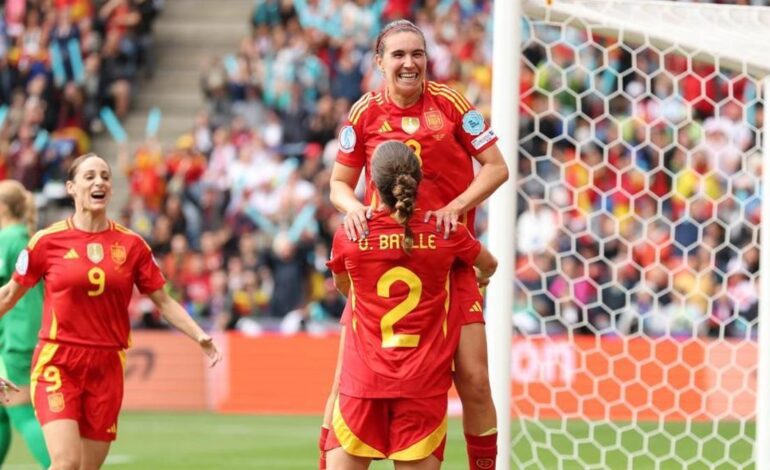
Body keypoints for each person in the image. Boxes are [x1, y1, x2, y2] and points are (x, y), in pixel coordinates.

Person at [322, 19, 509, 470]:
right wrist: (354, 211)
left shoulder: (451, 105)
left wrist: (454, 208)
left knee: (475, 379)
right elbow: (338, 185)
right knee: (344, 380)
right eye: (400, 55)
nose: (410, 63)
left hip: (449, 254)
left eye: (418, 54)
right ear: (380, 62)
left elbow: (496, 167)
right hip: (381, 256)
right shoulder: (364, 112)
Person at [0, 153, 222, 470]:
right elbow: (8, 295)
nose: (99, 182)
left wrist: (199, 335)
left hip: (107, 366)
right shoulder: (46, 242)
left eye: (104, 176)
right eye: (89, 176)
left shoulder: (132, 246)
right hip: (58, 361)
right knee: (65, 463)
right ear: (71, 188)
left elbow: (164, 301)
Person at [325, 141, 497, 469]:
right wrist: (478, 277)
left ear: (373, 184)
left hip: (364, 382)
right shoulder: (447, 231)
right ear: (419, 181)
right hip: (423, 385)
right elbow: (489, 264)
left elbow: (343, 286)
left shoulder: (350, 235)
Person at [0, 180, 50, 468]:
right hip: (30, 332)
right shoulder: (27, 238)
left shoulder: (6, 239)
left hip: (15, 337)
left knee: (22, 413)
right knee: (2, 411)